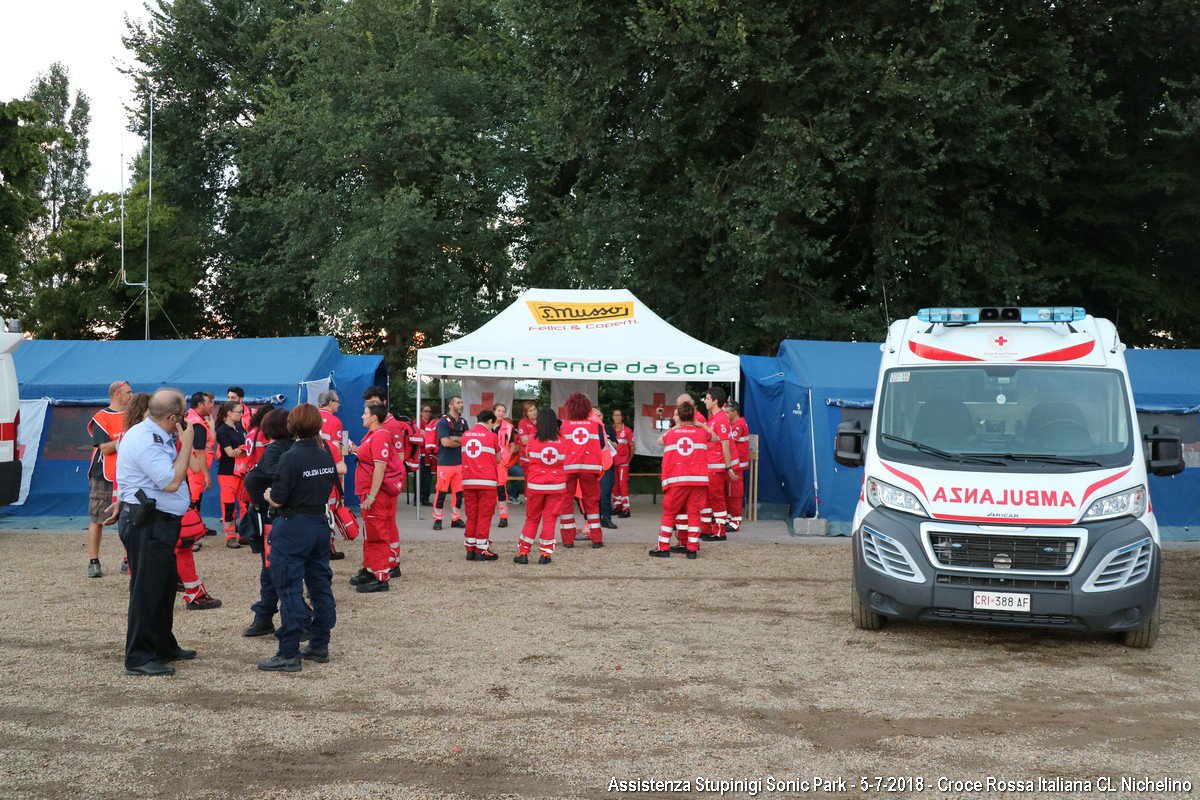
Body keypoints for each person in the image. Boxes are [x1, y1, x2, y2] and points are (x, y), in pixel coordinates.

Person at [115, 388, 197, 676]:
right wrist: (187, 443)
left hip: (159, 522)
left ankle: (162, 644)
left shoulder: (154, 434)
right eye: (184, 414)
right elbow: (171, 482)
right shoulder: (145, 440)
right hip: (149, 523)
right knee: (147, 590)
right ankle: (138, 657)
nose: (186, 420)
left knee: (163, 587)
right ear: (174, 417)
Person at [259, 403, 338, 672]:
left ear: (292, 426)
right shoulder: (325, 453)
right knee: (320, 584)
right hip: (318, 523)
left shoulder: (291, 457)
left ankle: (288, 652)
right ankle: (319, 643)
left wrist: (268, 495)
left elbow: (279, 498)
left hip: (293, 525)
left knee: (288, 585)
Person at [241, 409, 293, 637]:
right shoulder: (289, 447)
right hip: (276, 517)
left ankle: (278, 617)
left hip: (273, 518)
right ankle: (266, 615)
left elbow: (280, 481)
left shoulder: (275, 449)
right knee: (275, 568)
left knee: (273, 568)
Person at [86, 380, 133, 577]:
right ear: (117, 394)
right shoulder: (101, 417)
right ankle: (93, 561)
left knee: (128, 517)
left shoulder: (133, 416)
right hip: (103, 474)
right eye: (129, 392)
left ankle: (127, 560)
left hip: (127, 473)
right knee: (97, 517)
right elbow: (104, 447)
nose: (132, 395)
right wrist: (125, 439)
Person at [652, 401, 709, 558]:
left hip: (677, 480)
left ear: (679, 416)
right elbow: (716, 437)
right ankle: (692, 549)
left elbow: (659, 441)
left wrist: (676, 427)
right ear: (693, 415)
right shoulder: (701, 433)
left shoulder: (672, 433)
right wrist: (699, 425)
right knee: (694, 514)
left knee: (670, 513)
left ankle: (663, 547)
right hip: (698, 480)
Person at [348, 404, 396, 592]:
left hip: (375, 496)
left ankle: (381, 577)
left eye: (365, 413)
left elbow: (380, 467)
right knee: (370, 534)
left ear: (374, 417)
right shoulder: (371, 436)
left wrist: (372, 496)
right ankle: (370, 570)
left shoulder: (381, 435)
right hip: (367, 494)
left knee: (378, 534)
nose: (362, 416)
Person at [516, 407, 565, 565]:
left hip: (536, 484)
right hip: (556, 485)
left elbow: (529, 458)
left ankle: (523, 552)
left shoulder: (532, 439)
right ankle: (545, 554)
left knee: (532, 518)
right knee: (550, 520)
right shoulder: (563, 440)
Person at [559, 392, 606, 548]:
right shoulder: (596, 425)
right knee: (591, 503)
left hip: (568, 468)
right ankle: (597, 539)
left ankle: (567, 541)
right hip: (590, 468)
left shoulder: (564, 425)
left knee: (566, 503)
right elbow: (602, 445)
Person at [460, 409, 501, 560]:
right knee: (484, 515)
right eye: (493, 424)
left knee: (471, 515)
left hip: (468, 480)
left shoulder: (465, 435)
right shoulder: (492, 436)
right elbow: (498, 459)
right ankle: (482, 549)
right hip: (487, 481)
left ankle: (470, 549)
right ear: (490, 421)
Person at [316, 391, 349, 561]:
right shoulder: (335, 421)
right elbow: (335, 448)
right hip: (329, 472)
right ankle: (329, 546)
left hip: (311, 470)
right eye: (337, 402)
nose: (339, 404)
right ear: (329, 403)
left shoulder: (311, 416)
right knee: (330, 508)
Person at [700, 386, 736, 542]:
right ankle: (707, 529)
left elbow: (725, 445)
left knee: (716, 498)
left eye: (707, 399)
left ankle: (720, 531)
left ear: (715, 401)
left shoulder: (720, 419)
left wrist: (728, 467)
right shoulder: (714, 418)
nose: (705, 401)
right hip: (710, 465)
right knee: (708, 499)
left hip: (716, 466)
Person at [215, 401, 248, 547]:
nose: (241, 414)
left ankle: (245, 532)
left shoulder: (240, 427)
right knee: (228, 505)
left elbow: (245, 447)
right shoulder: (222, 431)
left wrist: (241, 449)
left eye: (242, 412)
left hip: (241, 471)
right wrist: (242, 450)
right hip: (228, 472)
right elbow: (230, 453)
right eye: (238, 412)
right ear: (229, 413)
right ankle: (230, 535)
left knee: (245, 503)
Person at [432, 396, 468, 530]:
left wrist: (454, 438)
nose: (461, 405)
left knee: (458, 493)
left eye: (462, 402)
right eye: (458, 403)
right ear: (450, 406)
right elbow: (445, 442)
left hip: (459, 463)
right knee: (441, 492)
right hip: (445, 463)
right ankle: (437, 519)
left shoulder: (463, 422)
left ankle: (456, 519)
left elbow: (467, 440)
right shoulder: (443, 422)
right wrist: (459, 440)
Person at [184, 392, 216, 539]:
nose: (212, 405)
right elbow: (200, 451)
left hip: (193, 467)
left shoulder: (192, 418)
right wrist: (207, 475)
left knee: (195, 500)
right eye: (209, 402)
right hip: (195, 469)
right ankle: (192, 534)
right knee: (193, 502)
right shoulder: (197, 424)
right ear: (200, 404)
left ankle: (197, 527)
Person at [725, 401, 750, 533]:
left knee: (735, 494)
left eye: (728, 412)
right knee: (731, 493)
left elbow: (729, 442)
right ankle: (731, 519)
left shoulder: (738, 426)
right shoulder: (737, 423)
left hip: (737, 465)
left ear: (735, 412)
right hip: (737, 464)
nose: (726, 414)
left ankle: (735, 522)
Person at [493, 403, 517, 527]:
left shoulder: (508, 427)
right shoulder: (487, 425)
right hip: (488, 461)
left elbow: (512, 445)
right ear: (494, 411)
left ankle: (503, 517)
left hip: (501, 462)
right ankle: (486, 515)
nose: (501, 413)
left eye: (503, 411)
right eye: (498, 410)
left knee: (501, 489)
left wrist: (508, 456)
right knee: (487, 490)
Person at [611, 408, 634, 517]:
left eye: (619, 415)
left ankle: (626, 509)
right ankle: (618, 506)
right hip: (612, 462)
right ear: (612, 417)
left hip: (623, 463)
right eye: (615, 415)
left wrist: (629, 460)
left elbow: (632, 447)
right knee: (614, 484)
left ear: (622, 417)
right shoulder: (609, 430)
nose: (617, 417)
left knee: (622, 484)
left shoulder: (628, 431)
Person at [417, 404, 438, 506]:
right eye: (426, 411)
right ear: (421, 412)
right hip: (419, 453)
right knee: (419, 476)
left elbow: (434, 437)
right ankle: (416, 498)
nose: (428, 413)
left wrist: (426, 434)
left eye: (430, 411)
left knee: (428, 478)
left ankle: (425, 498)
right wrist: (429, 435)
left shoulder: (433, 423)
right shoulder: (416, 422)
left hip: (430, 454)